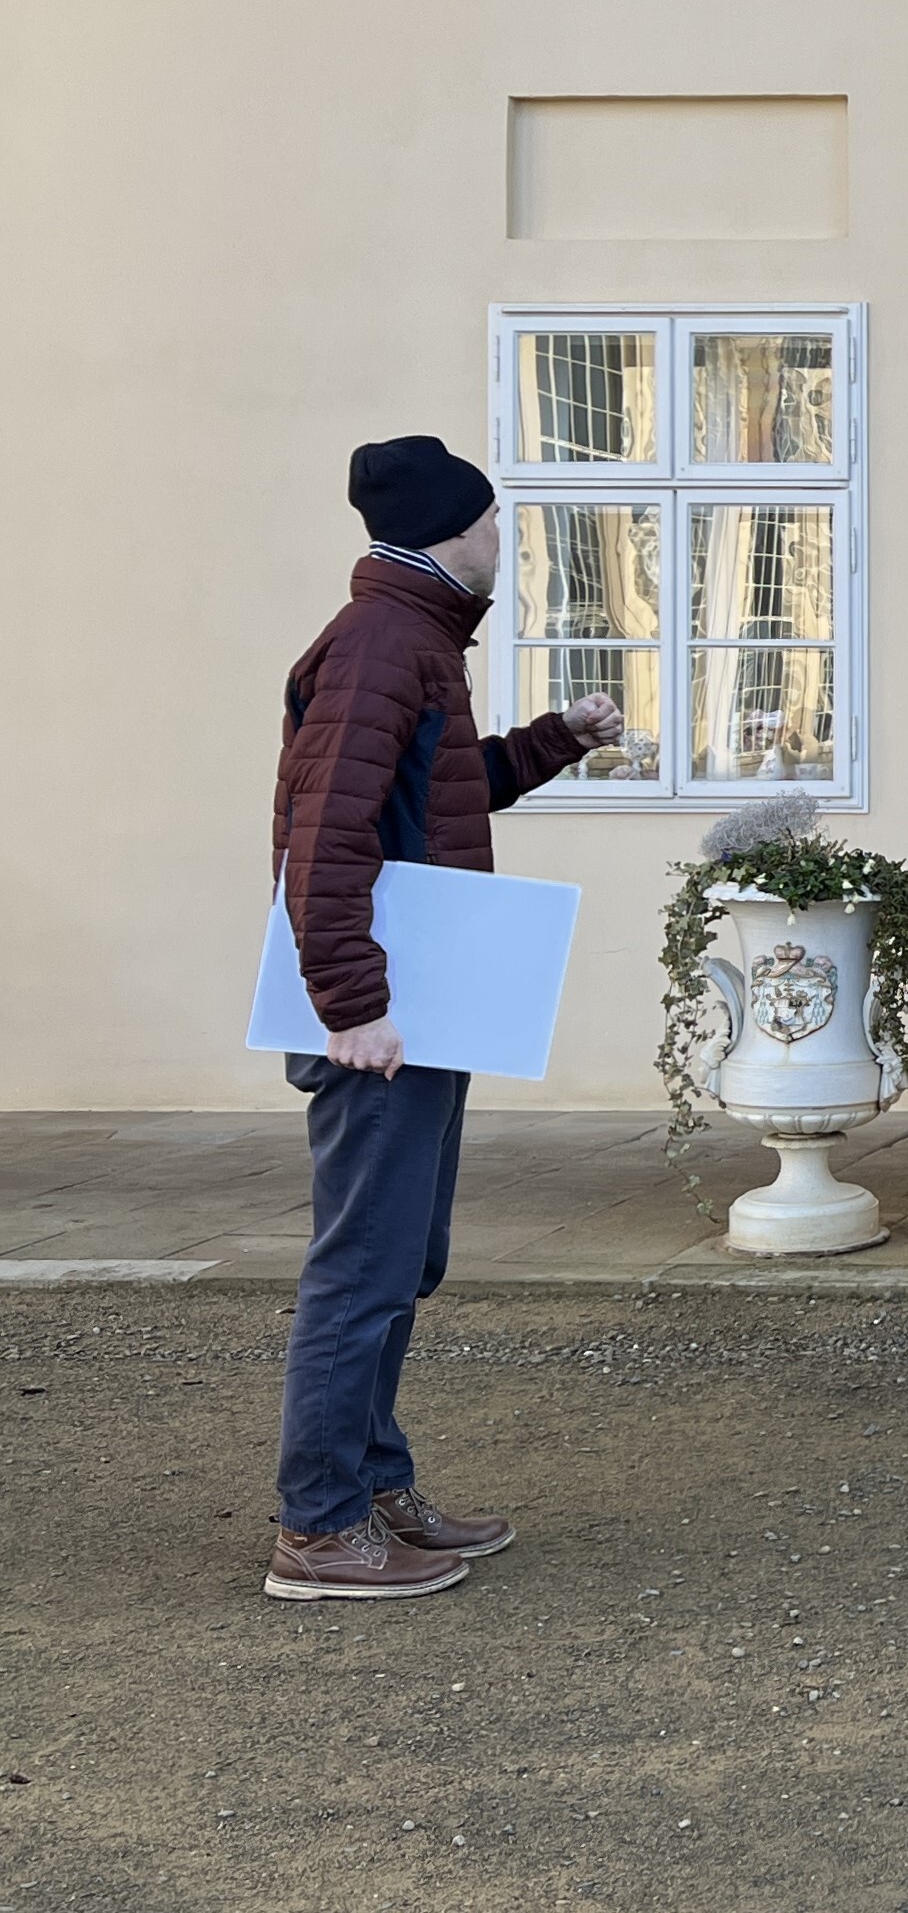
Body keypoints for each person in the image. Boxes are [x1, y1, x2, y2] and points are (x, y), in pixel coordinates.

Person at [266, 433, 625, 1601]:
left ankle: (373, 1489)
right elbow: (328, 832)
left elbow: (437, 790)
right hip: (385, 1022)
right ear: (450, 529)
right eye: (492, 518)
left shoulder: (410, 638)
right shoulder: (382, 643)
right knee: (363, 1267)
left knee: (400, 1260)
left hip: (422, 1007)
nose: (502, 536)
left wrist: (556, 741)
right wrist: (352, 1005)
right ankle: (318, 1528)